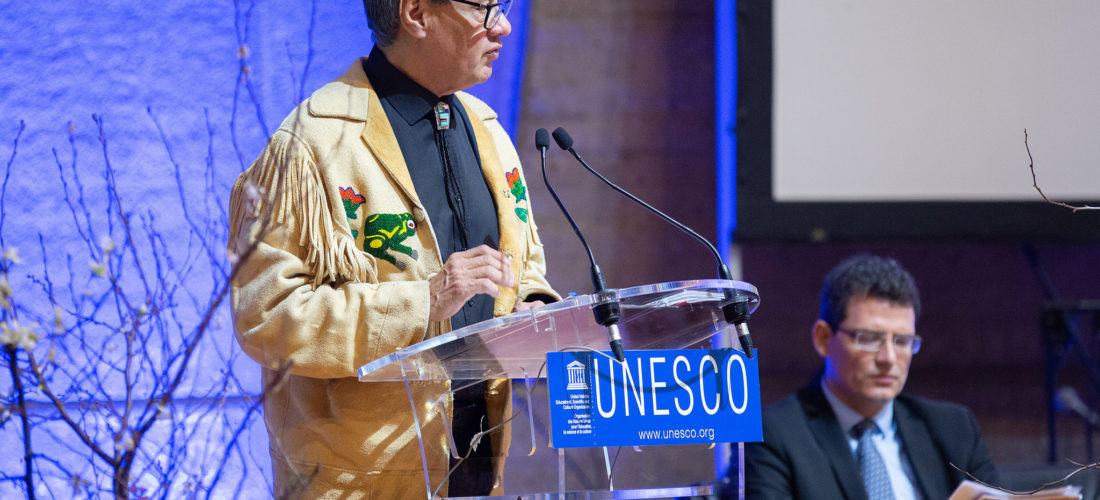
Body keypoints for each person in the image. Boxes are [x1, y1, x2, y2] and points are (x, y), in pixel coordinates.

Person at [226, 0, 559, 497]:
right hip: (357, 480)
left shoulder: (487, 129)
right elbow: (266, 317)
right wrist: (425, 301)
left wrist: (535, 307)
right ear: (416, 13)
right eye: (484, 8)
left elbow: (522, 267)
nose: (504, 26)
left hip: (478, 468)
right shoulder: (313, 143)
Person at [739, 254, 998, 499]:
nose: (888, 358)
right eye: (870, 339)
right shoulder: (775, 434)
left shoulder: (955, 429)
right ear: (823, 338)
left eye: (902, 341)